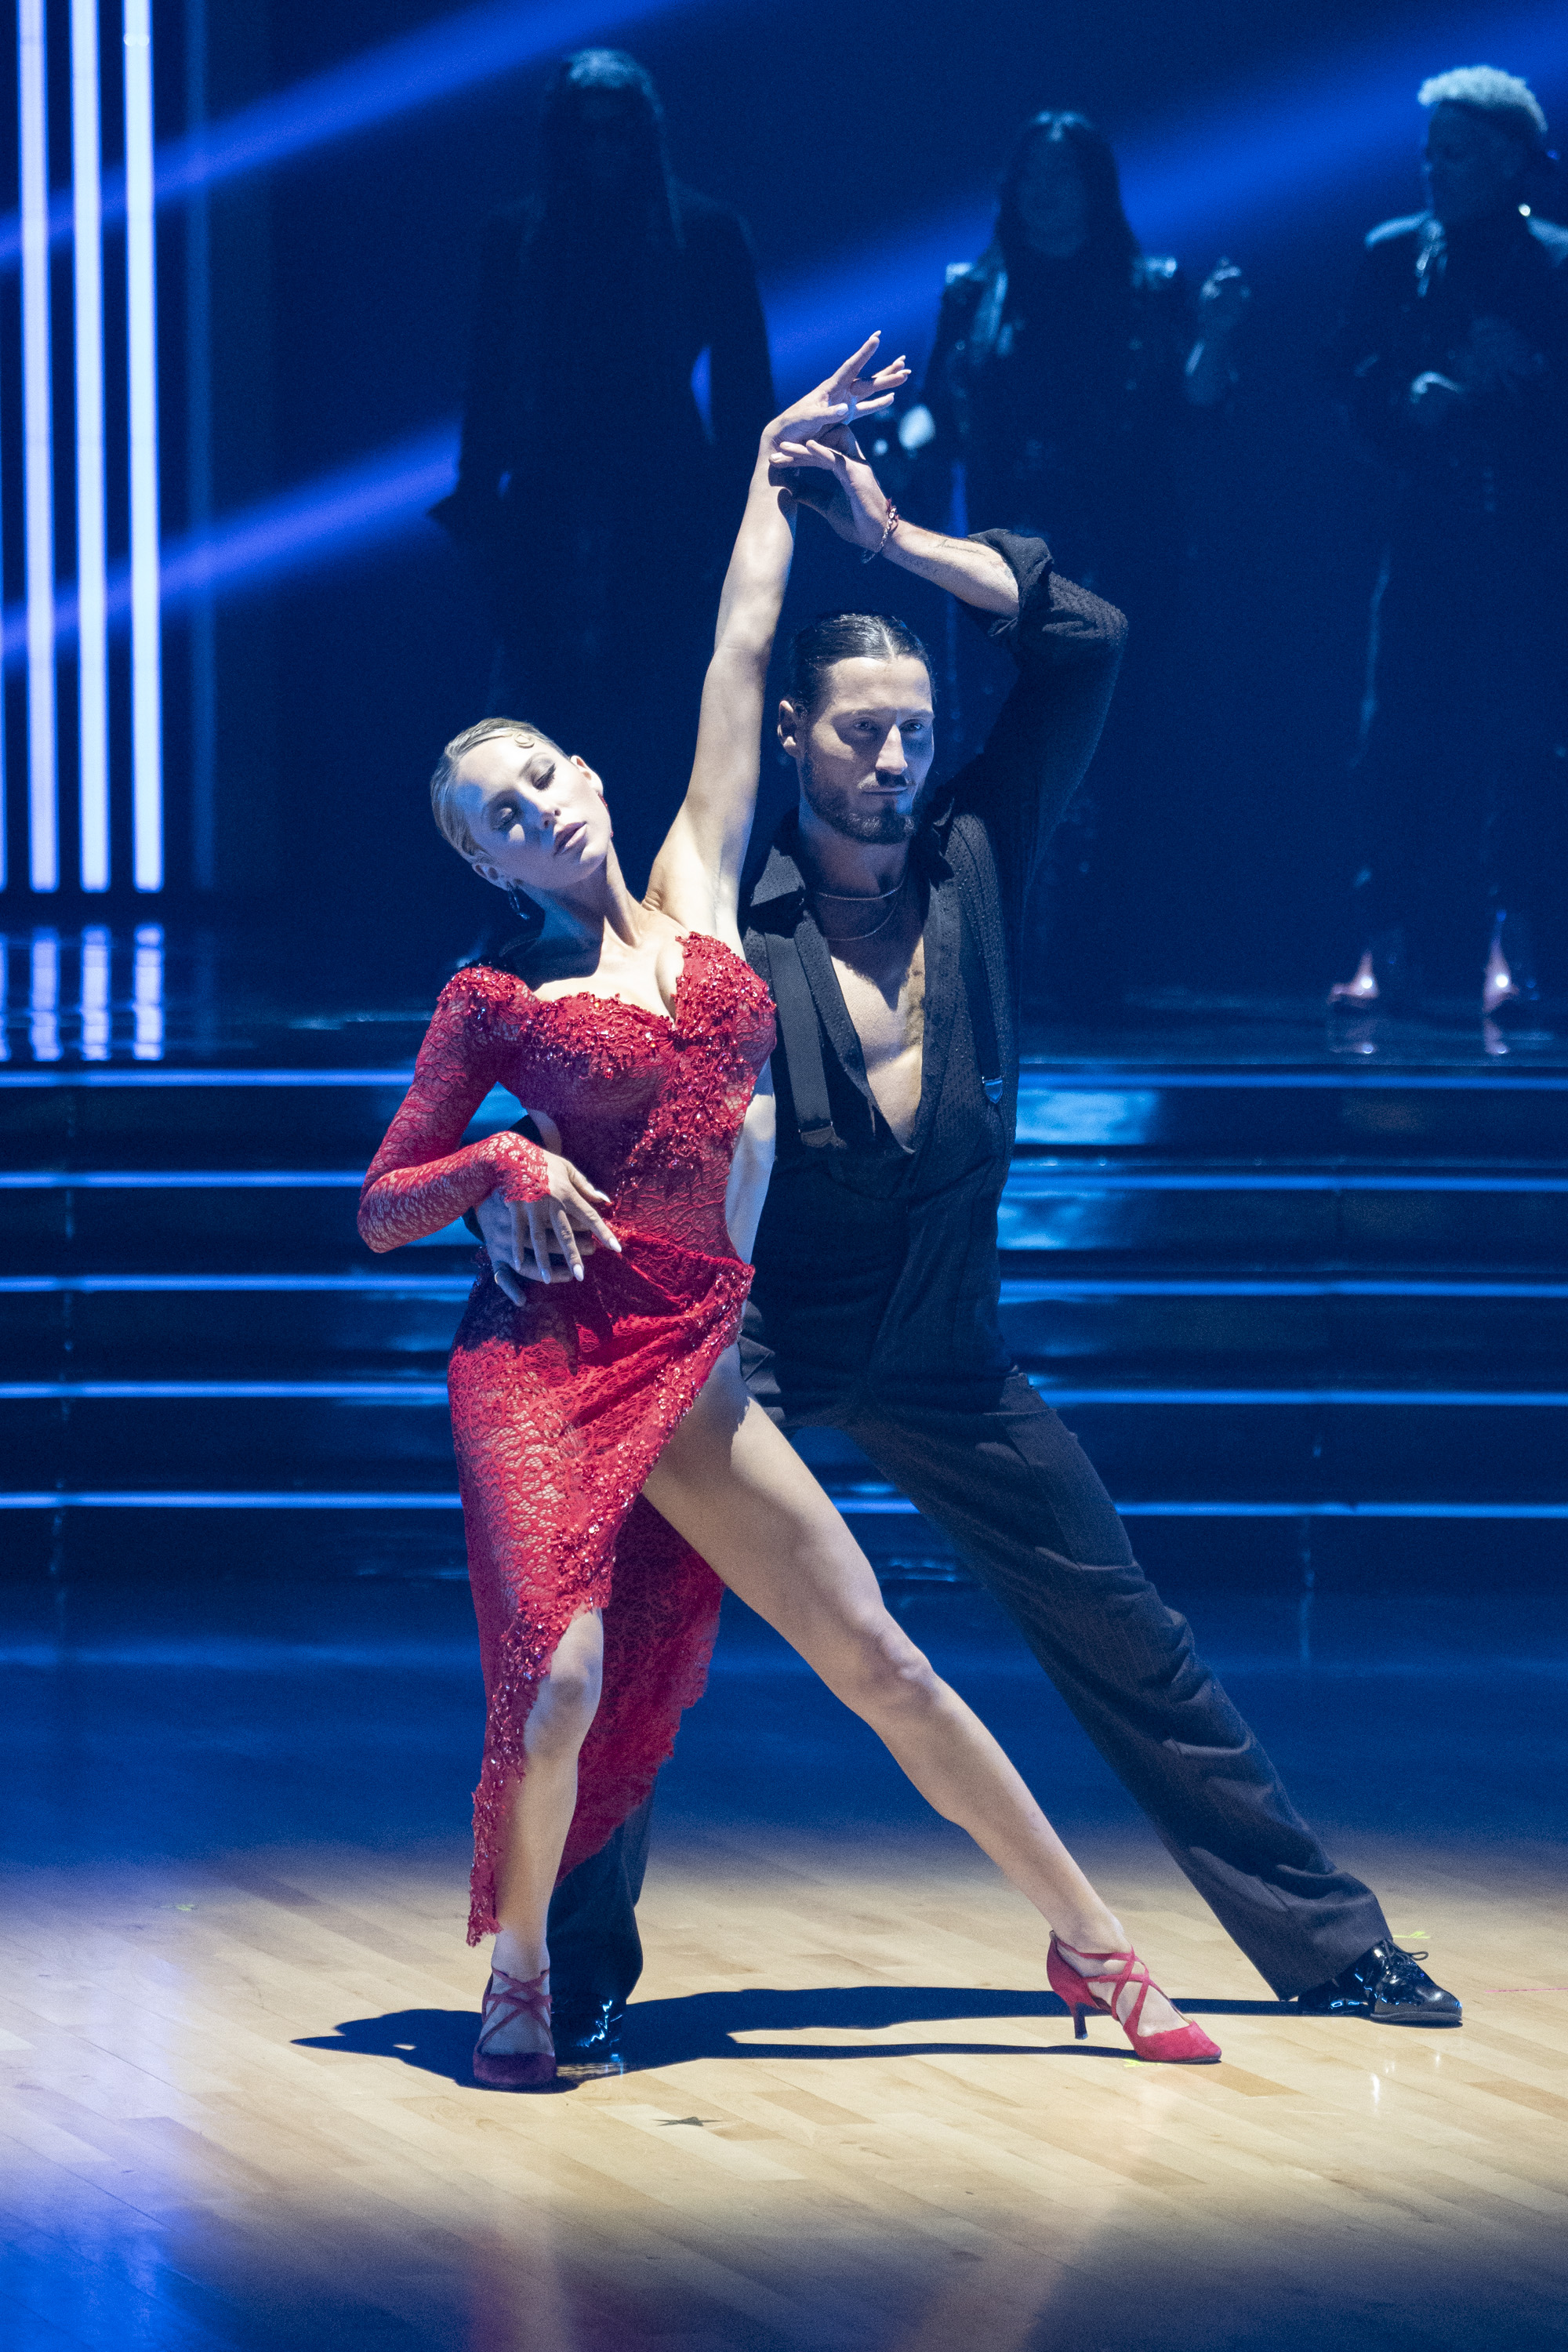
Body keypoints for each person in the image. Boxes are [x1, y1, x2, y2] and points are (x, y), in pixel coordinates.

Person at [477, 406, 1463, 2075]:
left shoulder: (977, 854)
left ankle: (1327, 1945)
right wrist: (506, 1182)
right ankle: (577, 1974)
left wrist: (889, 537)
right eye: (859, 732)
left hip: (943, 1334)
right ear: (797, 736)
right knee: (647, 1621)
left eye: (915, 732)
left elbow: (1088, 642)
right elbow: (577, 1073)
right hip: (763, 1335)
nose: (892, 760)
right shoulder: (724, 903)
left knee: (1122, 1628)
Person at [363, 339, 1221, 2090]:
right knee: (565, 1684)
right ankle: (520, 1977)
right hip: (544, 1367)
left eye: (539, 775)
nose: (537, 809)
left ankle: (1096, 1948)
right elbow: (384, 1203)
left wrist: (772, 469)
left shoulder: (693, 886)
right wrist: (501, 1170)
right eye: (495, 819)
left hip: (692, 1353)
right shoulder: (492, 1003)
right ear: (485, 863)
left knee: (881, 1657)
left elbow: (744, 643)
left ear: (579, 774)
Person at [897, 110, 1249, 1018]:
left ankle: (1089, 971)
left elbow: (1195, 411)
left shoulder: (1148, 287)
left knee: (1103, 753)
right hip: (997, 552)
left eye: (1064, 172)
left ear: (1095, 186)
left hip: (1116, 545)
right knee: (991, 743)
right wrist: (901, 432)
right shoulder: (972, 292)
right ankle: (992, 959)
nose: (1045, 188)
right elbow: (941, 407)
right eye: (1032, 173)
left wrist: (1212, 331)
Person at [431, 48, 775, 892]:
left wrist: (742, 517)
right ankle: (531, 908)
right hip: (549, 499)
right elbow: (487, 374)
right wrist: (479, 497)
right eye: (583, 130)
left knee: (654, 707)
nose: (600, 146)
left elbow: (743, 391)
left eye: (615, 128)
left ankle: (654, 899)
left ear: (642, 131)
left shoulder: (702, 230)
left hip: (662, 499)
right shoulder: (517, 236)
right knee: (535, 706)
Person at [1326, 66, 1568, 1032]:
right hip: (1425, 528)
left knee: (1528, 735)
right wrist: (1406, 398)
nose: (1433, 170)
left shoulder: (1553, 264)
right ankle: (1387, 938)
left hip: (1527, 535)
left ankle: (1518, 939)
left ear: (1507, 156)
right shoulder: (1393, 257)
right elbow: (1347, 384)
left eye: (1454, 152)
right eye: (1428, 152)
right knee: (1397, 735)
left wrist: (1530, 373)